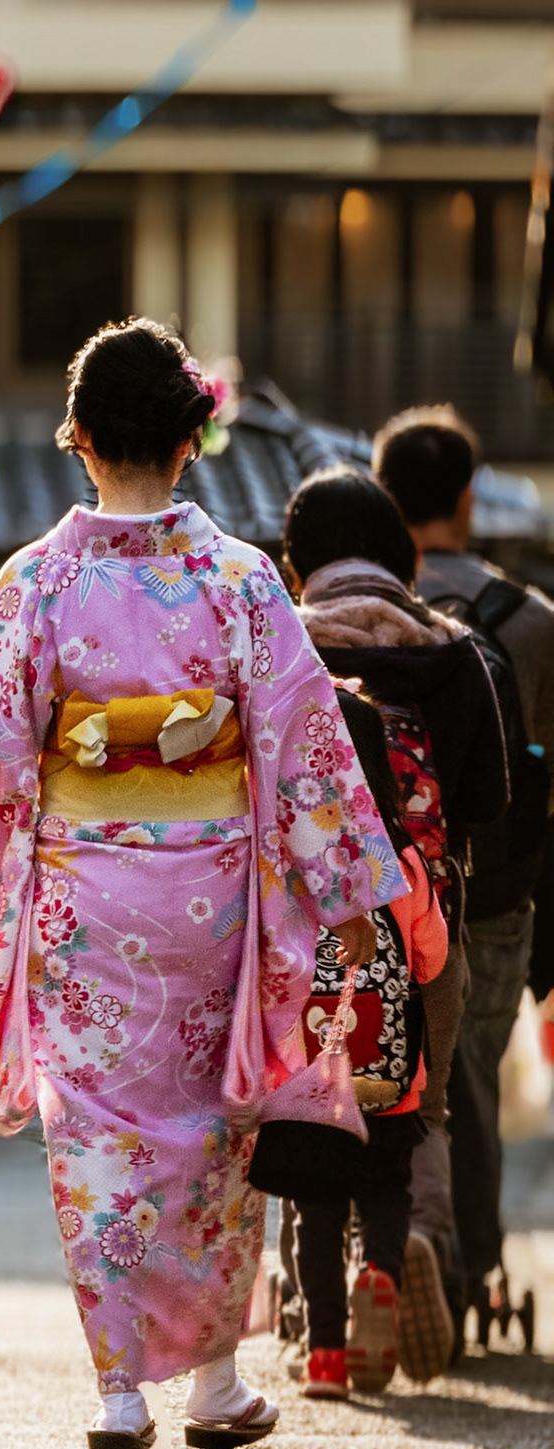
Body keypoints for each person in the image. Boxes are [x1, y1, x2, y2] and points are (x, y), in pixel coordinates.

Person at [0, 319, 399, 1449]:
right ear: (192, 441)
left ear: (76, 439)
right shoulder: (236, 580)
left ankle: (122, 1391)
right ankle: (217, 1382)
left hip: (86, 896)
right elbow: (303, 739)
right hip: (211, 899)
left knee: (98, 1141)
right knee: (217, 1131)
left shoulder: (39, 578)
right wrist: (353, 886)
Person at [279, 464, 508, 1380]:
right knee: (418, 1109)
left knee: (306, 1111)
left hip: (307, 932)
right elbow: (488, 798)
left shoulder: (283, 649)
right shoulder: (453, 651)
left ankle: (314, 1325)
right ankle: (417, 1253)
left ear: (297, 559)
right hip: (425, 916)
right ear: (401, 553)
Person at [377, 406, 554, 1340]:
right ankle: (465, 1269)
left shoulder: (355, 612)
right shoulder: (532, 624)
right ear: (467, 498)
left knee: (363, 1066)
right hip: (493, 897)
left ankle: (370, 1259)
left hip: (373, 892)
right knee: (470, 1075)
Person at [292, 689, 449, 1402]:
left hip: (313, 1078)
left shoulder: (295, 863)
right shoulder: (404, 858)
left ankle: (324, 1354)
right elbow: (432, 959)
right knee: (386, 1188)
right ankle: (380, 1271)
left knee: (316, 1213)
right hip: (390, 1076)